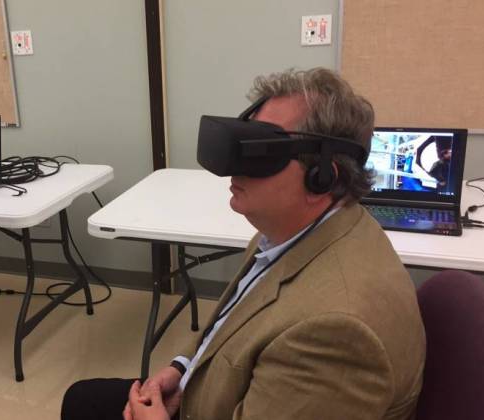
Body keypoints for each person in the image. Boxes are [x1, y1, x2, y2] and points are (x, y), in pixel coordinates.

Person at [62, 68, 426, 420]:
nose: (234, 167)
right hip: (221, 391)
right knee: (82, 399)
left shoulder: (335, 335)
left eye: (262, 152)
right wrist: (183, 368)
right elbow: (234, 320)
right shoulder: (294, 230)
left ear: (322, 177)